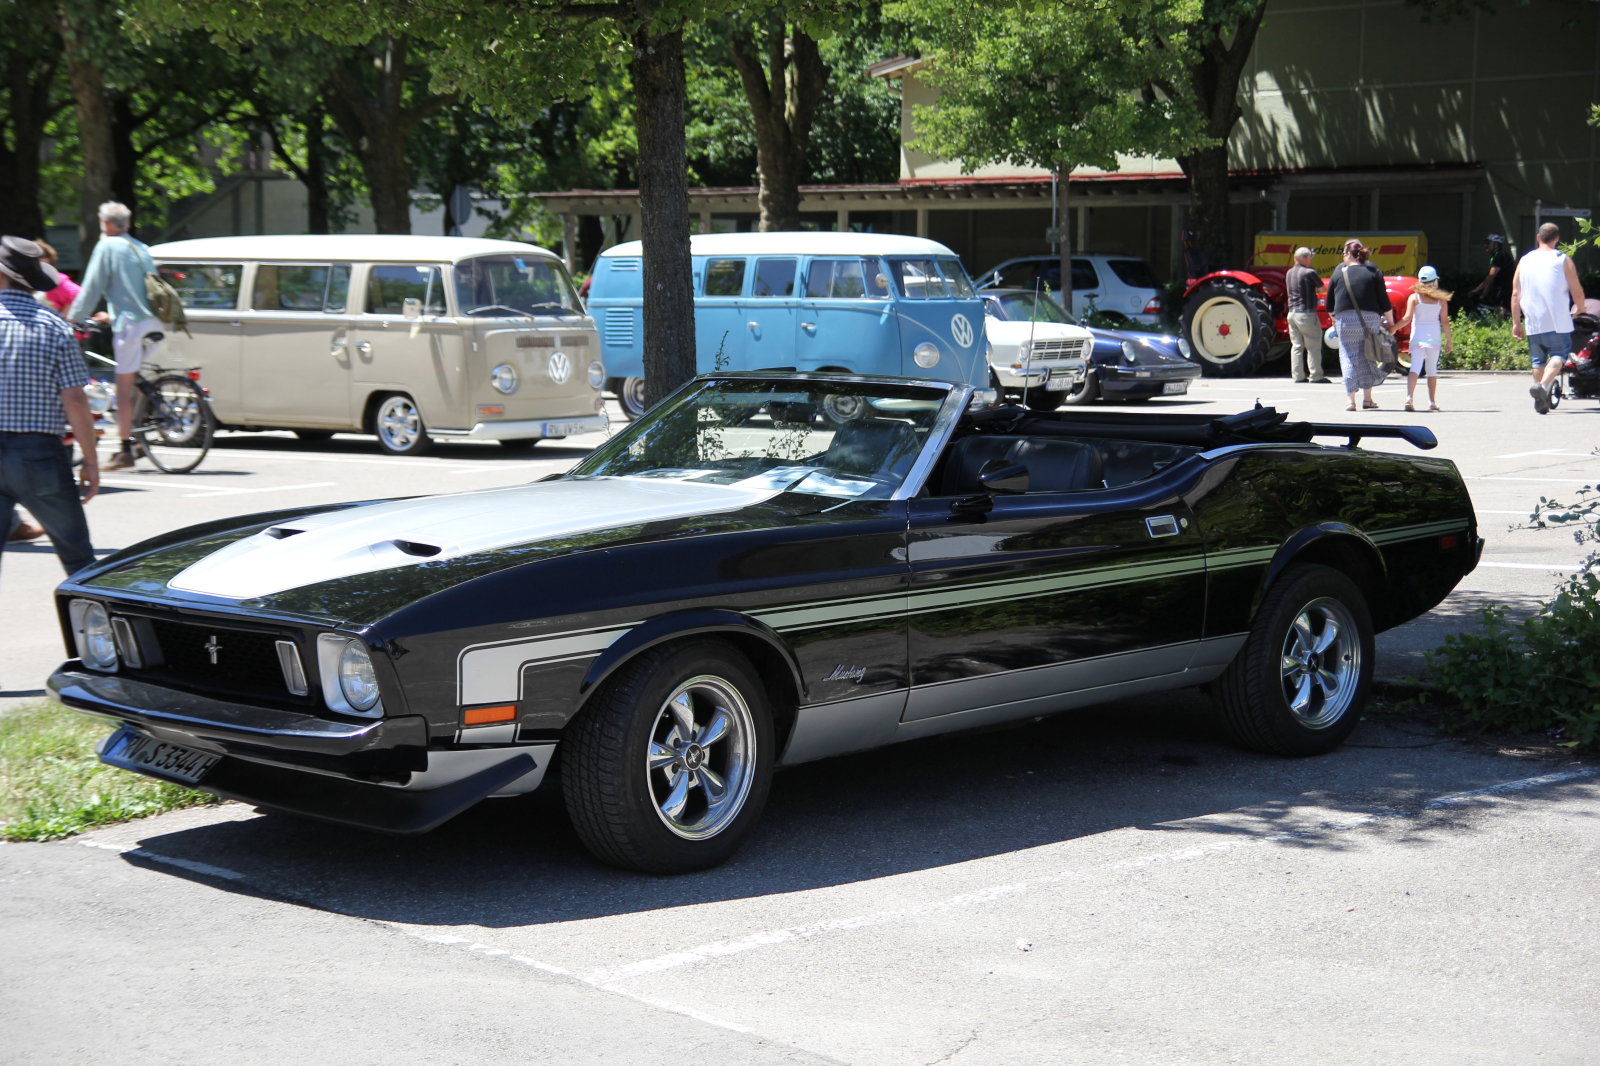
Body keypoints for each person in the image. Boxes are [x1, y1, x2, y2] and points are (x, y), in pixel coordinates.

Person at [0, 236, 99, 579]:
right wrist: (91, 460)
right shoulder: (54, 325)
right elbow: (75, 399)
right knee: (79, 560)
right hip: (39, 454)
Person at [67, 201, 163, 471]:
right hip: (154, 322)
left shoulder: (107, 246)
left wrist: (71, 319)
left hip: (131, 326)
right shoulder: (140, 247)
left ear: (106, 224)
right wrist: (112, 313)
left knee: (123, 389)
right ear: (128, 223)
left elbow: (92, 287)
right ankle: (141, 438)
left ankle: (125, 451)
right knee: (135, 382)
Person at [1513, 222, 1587, 414]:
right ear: (1557, 239)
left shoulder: (1524, 260)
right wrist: (1580, 307)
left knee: (1538, 361)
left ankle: (1542, 398)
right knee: (1558, 355)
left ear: (1538, 237)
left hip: (1533, 321)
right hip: (1557, 320)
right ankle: (1543, 386)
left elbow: (1515, 294)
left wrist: (1516, 322)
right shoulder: (1562, 259)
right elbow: (1576, 289)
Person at [1329, 239, 1395, 411]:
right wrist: (1391, 321)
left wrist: (1334, 320)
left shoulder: (1339, 272)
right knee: (1368, 355)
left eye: (1344, 254)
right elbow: (1384, 299)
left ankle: (1350, 401)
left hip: (1344, 320)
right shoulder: (1372, 270)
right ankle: (1367, 399)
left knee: (1348, 357)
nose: (1343, 257)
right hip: (1369, 319)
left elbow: (1330, 303)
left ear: (1349, 254)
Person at [1394, 266, 1452, 412]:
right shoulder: (1441, 300)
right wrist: (1449, 341)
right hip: (1434, 338)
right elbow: (1444, 321)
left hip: (1417, 338)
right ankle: (1432, 402)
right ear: (1435, 281)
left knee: (1415, 368)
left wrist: (1393, 329)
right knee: (1431, 370)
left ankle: (1409, 397)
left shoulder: (1414, 298)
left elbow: (1407, 318)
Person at [1285, 246, 1329, 383]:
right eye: (1310, 257)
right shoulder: (1309, 272)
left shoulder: (1289, 273)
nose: (1310, 260)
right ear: (1305, 258)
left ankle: (1298, 376)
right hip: (1306, 313)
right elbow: (1322, 289)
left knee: (1297, 346)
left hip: (1292, 313)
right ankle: (1316, 376)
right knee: (1313, 345)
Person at [32, 239, 81, 322]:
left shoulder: (56, 279)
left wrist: (65, 317)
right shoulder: (23, 281)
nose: (39, 260)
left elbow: (78, 293)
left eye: (43, 256)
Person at [1472, 233, 1515, 313]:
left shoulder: (1499, 256)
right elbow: (1491, 280)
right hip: (1501, 288)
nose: (1486, 245)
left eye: (1488, 243)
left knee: (1500, 313)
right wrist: (1483, 295)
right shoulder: (1496, 256)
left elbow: (1491, 275)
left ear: (1496, 244)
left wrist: (1477, 289)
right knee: (1497, 311)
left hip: (1506, 288)